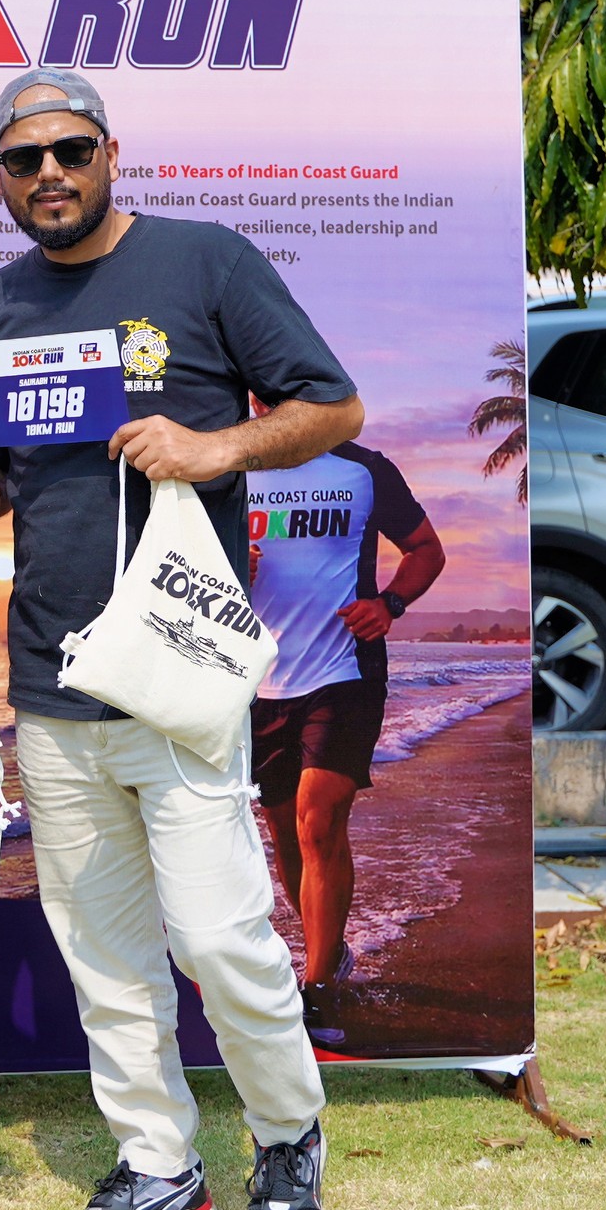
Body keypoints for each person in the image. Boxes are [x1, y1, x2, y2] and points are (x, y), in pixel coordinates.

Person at [0, 68, 364, 1210]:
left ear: (111, 153)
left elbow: (333, 406)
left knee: (221, 934)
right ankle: (160, 1166)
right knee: (105, 954)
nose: (50, 173)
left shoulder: (203, 260)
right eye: (25, 159)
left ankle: (287, 1133)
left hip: (175, 669)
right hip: (52, 679)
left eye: (71, 150)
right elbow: (7, 479)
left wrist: (215, 444)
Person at [246, 443, 445, 1045]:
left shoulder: (365, 469)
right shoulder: (231, 465)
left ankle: (317, 988)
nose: (265, 400)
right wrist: (229, 564)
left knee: (318, 822)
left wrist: (389, 604)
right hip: (256, 679)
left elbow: (426, 549)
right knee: (286, 831)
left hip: (345, 671)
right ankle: (329, 953)